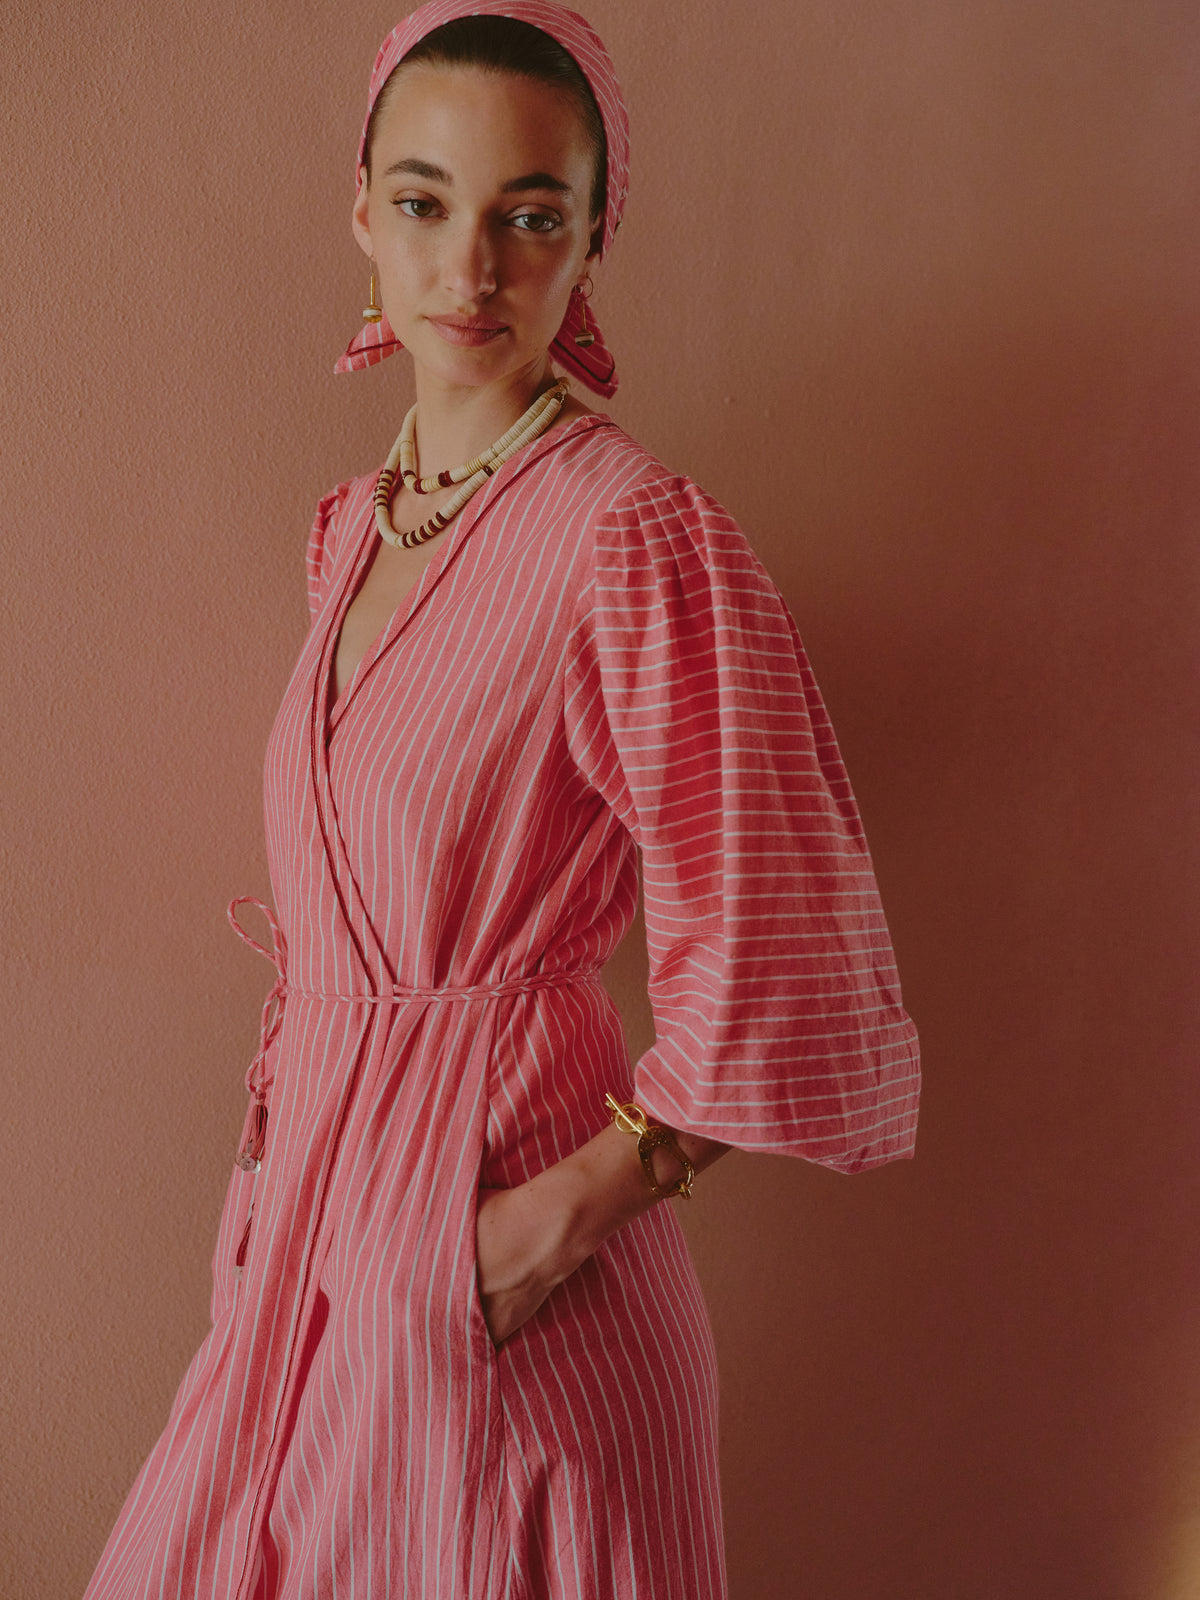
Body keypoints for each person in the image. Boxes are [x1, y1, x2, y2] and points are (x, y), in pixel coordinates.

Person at [82, 2, 920, 1596]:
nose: (471, 269)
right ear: (362, 215)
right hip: (307, 1270)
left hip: (517, 1297)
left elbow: (781, 938)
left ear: (592, 236)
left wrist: (544, 1233)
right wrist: (272, 1198)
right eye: (425, 203)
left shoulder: (632, 535)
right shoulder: (351, 533)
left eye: (530, 218)